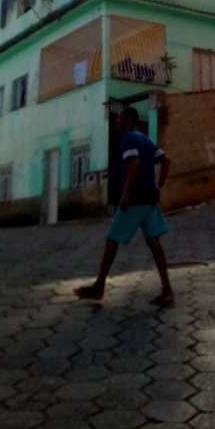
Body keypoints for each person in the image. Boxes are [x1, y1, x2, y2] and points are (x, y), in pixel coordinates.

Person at [74, 106, 174, 307]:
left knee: (112, 240)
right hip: (149, 200)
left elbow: (134, 164)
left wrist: (126, 194)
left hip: (135, 200)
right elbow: (166, 161)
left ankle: (99, 286)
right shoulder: (145, 138)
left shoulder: (128, 138)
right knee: (155, 244)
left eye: (120, 118)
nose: (117, 121)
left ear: (129, 119)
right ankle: (167, 291)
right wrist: (158, 186)